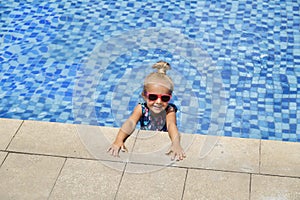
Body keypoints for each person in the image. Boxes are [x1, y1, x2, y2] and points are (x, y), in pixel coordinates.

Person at [107, 61, 186, 161]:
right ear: (144, 96)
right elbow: (130, 122)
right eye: (153, 97)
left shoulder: (169, 110)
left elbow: (171, 125)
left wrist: (176, 144)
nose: (158, 102)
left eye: (164, 98)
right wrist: (118, 140)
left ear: (170, 98)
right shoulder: (141, 108)